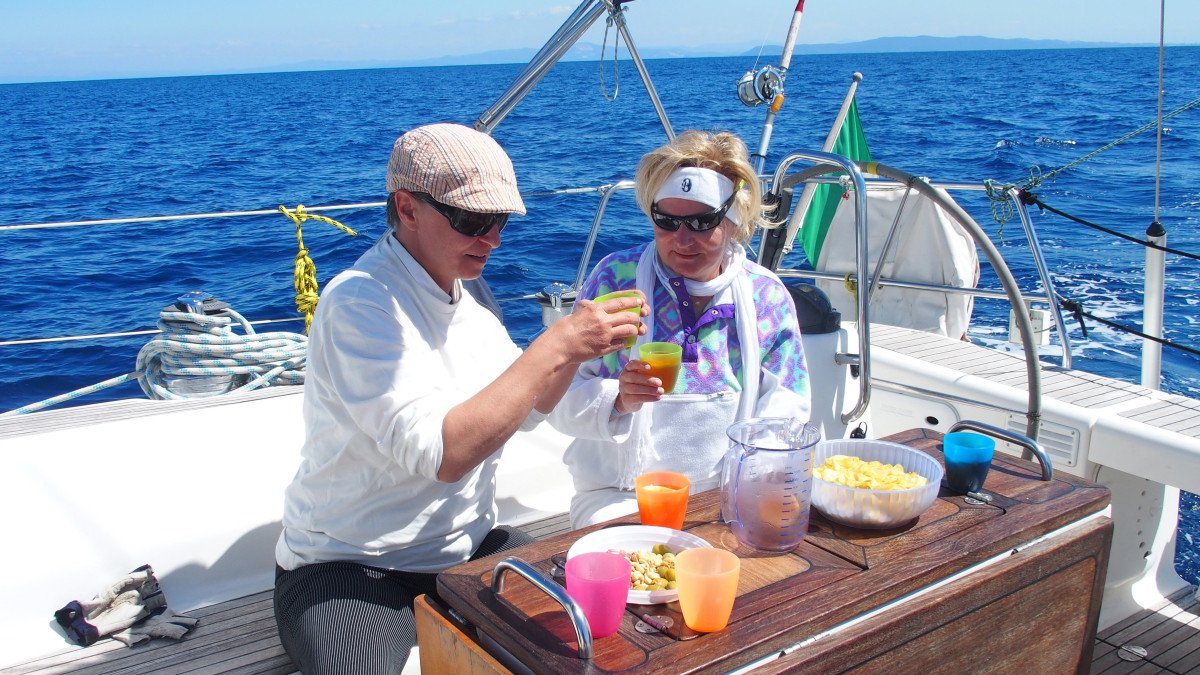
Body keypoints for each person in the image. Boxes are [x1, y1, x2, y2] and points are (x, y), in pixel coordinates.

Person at [272, 122, 643, 674]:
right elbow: (442, 456)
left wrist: (577, 351)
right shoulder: (358, 300)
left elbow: (533, 407)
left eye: (498, 223)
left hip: (465, 553)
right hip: (349, 571)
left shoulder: (470, 301)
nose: (490, 239)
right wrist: (556, 343)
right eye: (472, 220)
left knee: (593, 640)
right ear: (407, 208)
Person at [549, 130, 812, 528]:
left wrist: (750, 485)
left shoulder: (766, 296)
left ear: (734, 220)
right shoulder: (614, 281)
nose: (682, 239)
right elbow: (557, 398)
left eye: (702, 222)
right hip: (616, 494)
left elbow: (788, 409)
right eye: (666, 221)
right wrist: (618, 399)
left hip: (727, 493)